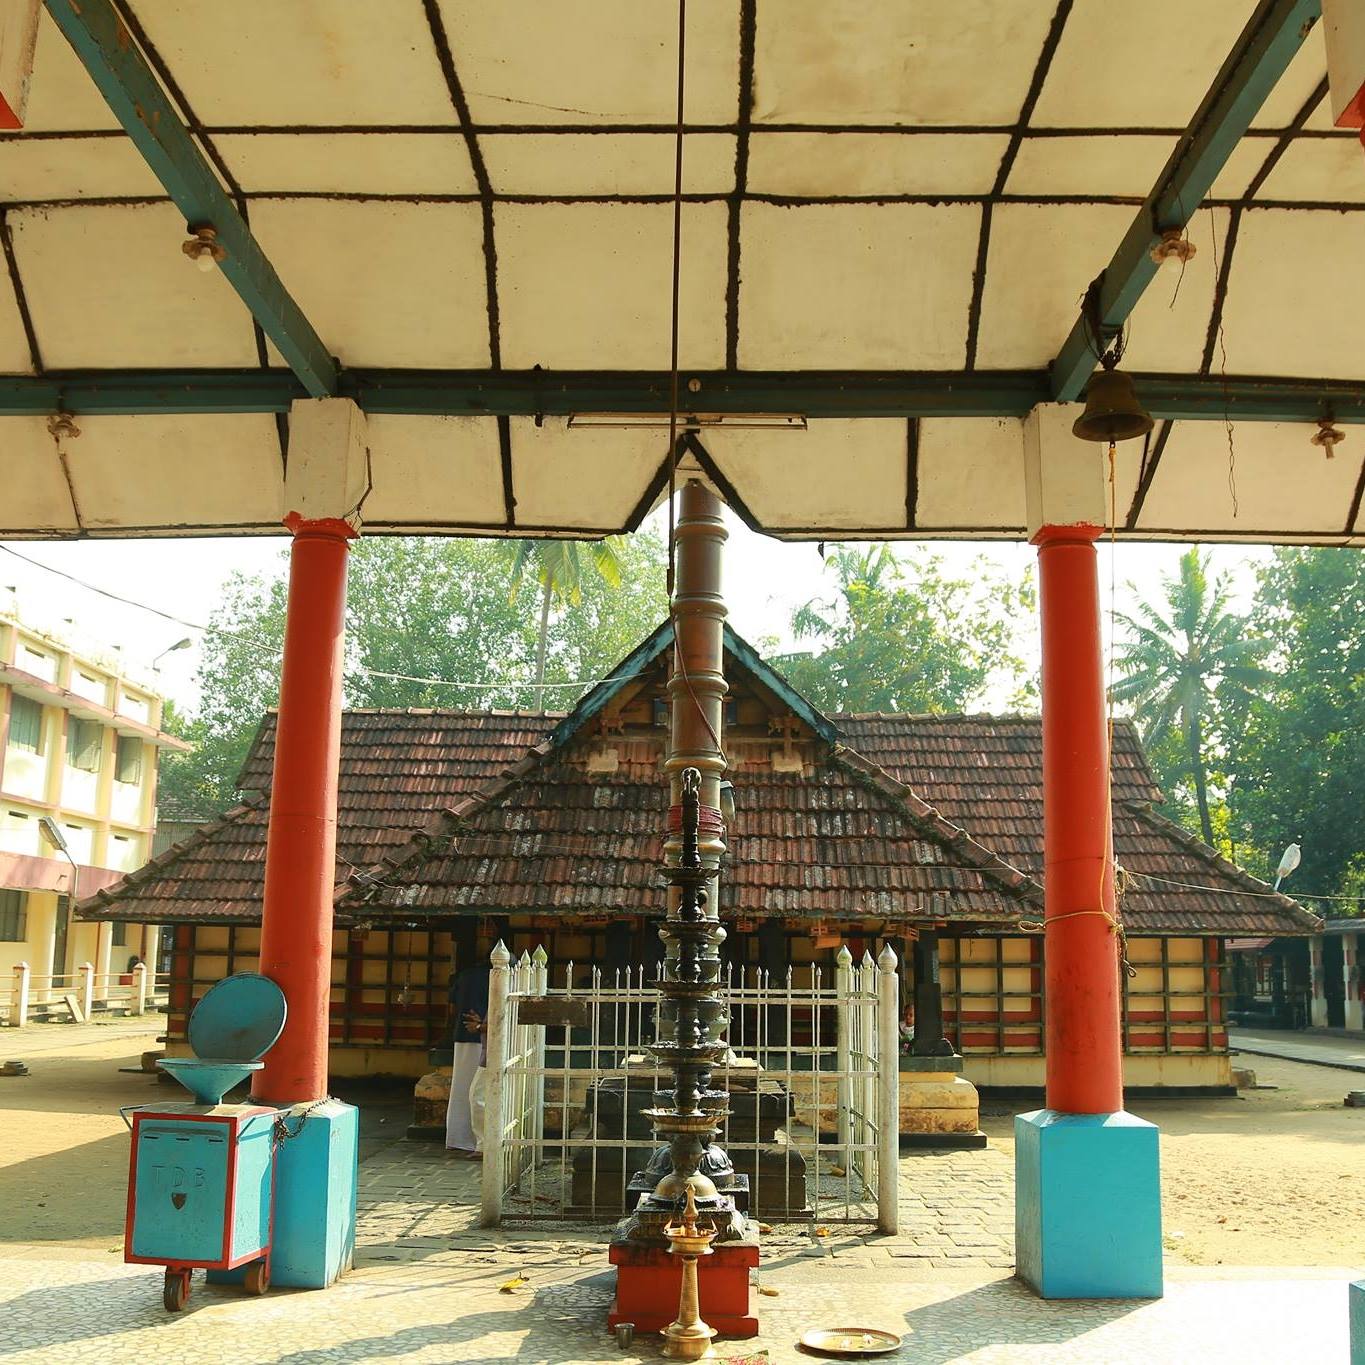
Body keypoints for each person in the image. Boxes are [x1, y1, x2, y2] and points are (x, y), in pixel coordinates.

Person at [445, 961, 490, 1159]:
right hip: (484, 1035)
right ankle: (477, 1141)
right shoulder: (497, 978)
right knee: (478, 1093)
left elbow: (452, 1005)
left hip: (465, 1032)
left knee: (463, 1088)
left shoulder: (464, 977)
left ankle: (458, 1137)